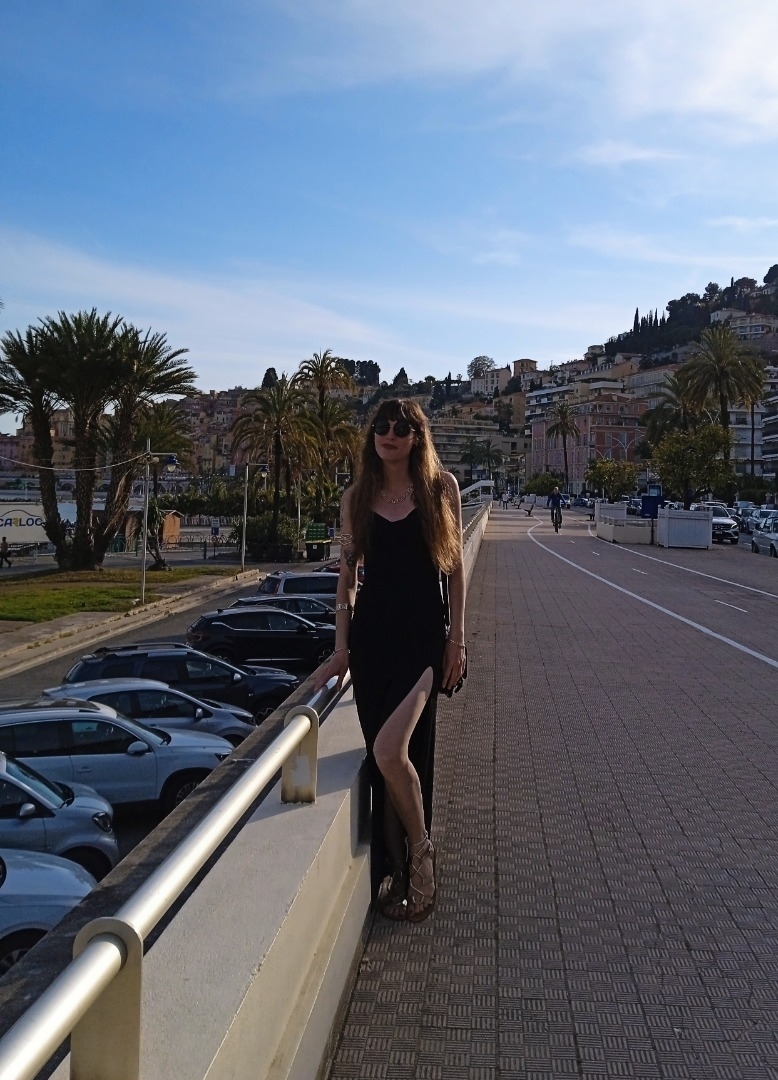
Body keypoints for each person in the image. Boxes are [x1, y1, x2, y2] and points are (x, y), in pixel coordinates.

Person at [315, 400, 466, 923]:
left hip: (422, 642)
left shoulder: (441, 489)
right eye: (382, 425)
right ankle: (396, 873)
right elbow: (346, 580)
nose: (391, 433)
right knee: (386, 766)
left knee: (390, 750)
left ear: (417, 436)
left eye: (403, 427)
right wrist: (341, 649)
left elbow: (454, 570)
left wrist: (457, 639)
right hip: (371, 646)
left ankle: (422, 859)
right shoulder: (356, 497)